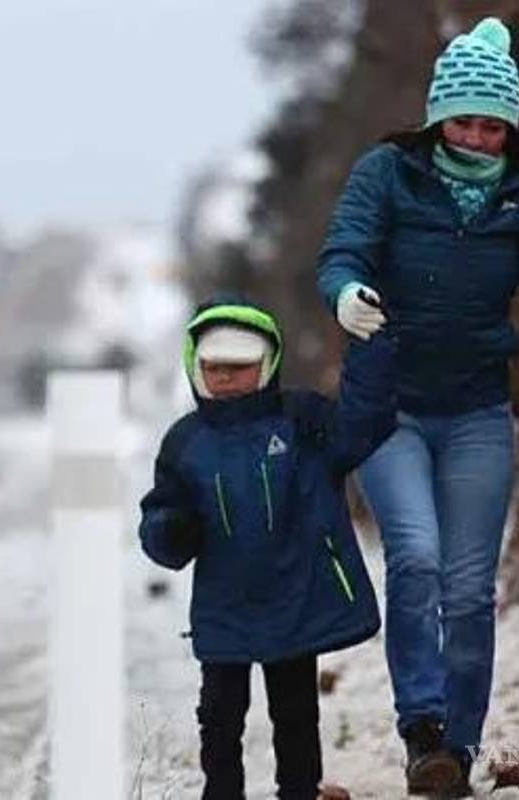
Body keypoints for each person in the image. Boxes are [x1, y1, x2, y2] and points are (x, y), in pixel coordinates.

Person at [316, 16, 519, 798]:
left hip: (477, 412)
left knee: (470, 587)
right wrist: (345, 296)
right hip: (388, 409)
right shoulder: (387, 174)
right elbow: (342, 251)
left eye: (492, 124)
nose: (476, 137)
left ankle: (457, 752)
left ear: (509, 127)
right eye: (464, 120)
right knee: (416, 557)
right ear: (439, 116)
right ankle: (422, 727)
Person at [138, 295, 397, 800]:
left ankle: (299, 792)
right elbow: (160, 519)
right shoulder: (184, 442)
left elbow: (364, 426)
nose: (225, 378)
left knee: (297, 714)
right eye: (214, 367)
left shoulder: (301, 419)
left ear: (268, 363)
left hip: (294, 600)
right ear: (196, 365)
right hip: (223, 609)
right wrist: (170, 530)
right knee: (218, 717)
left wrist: (372, 346)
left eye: (239, 366)